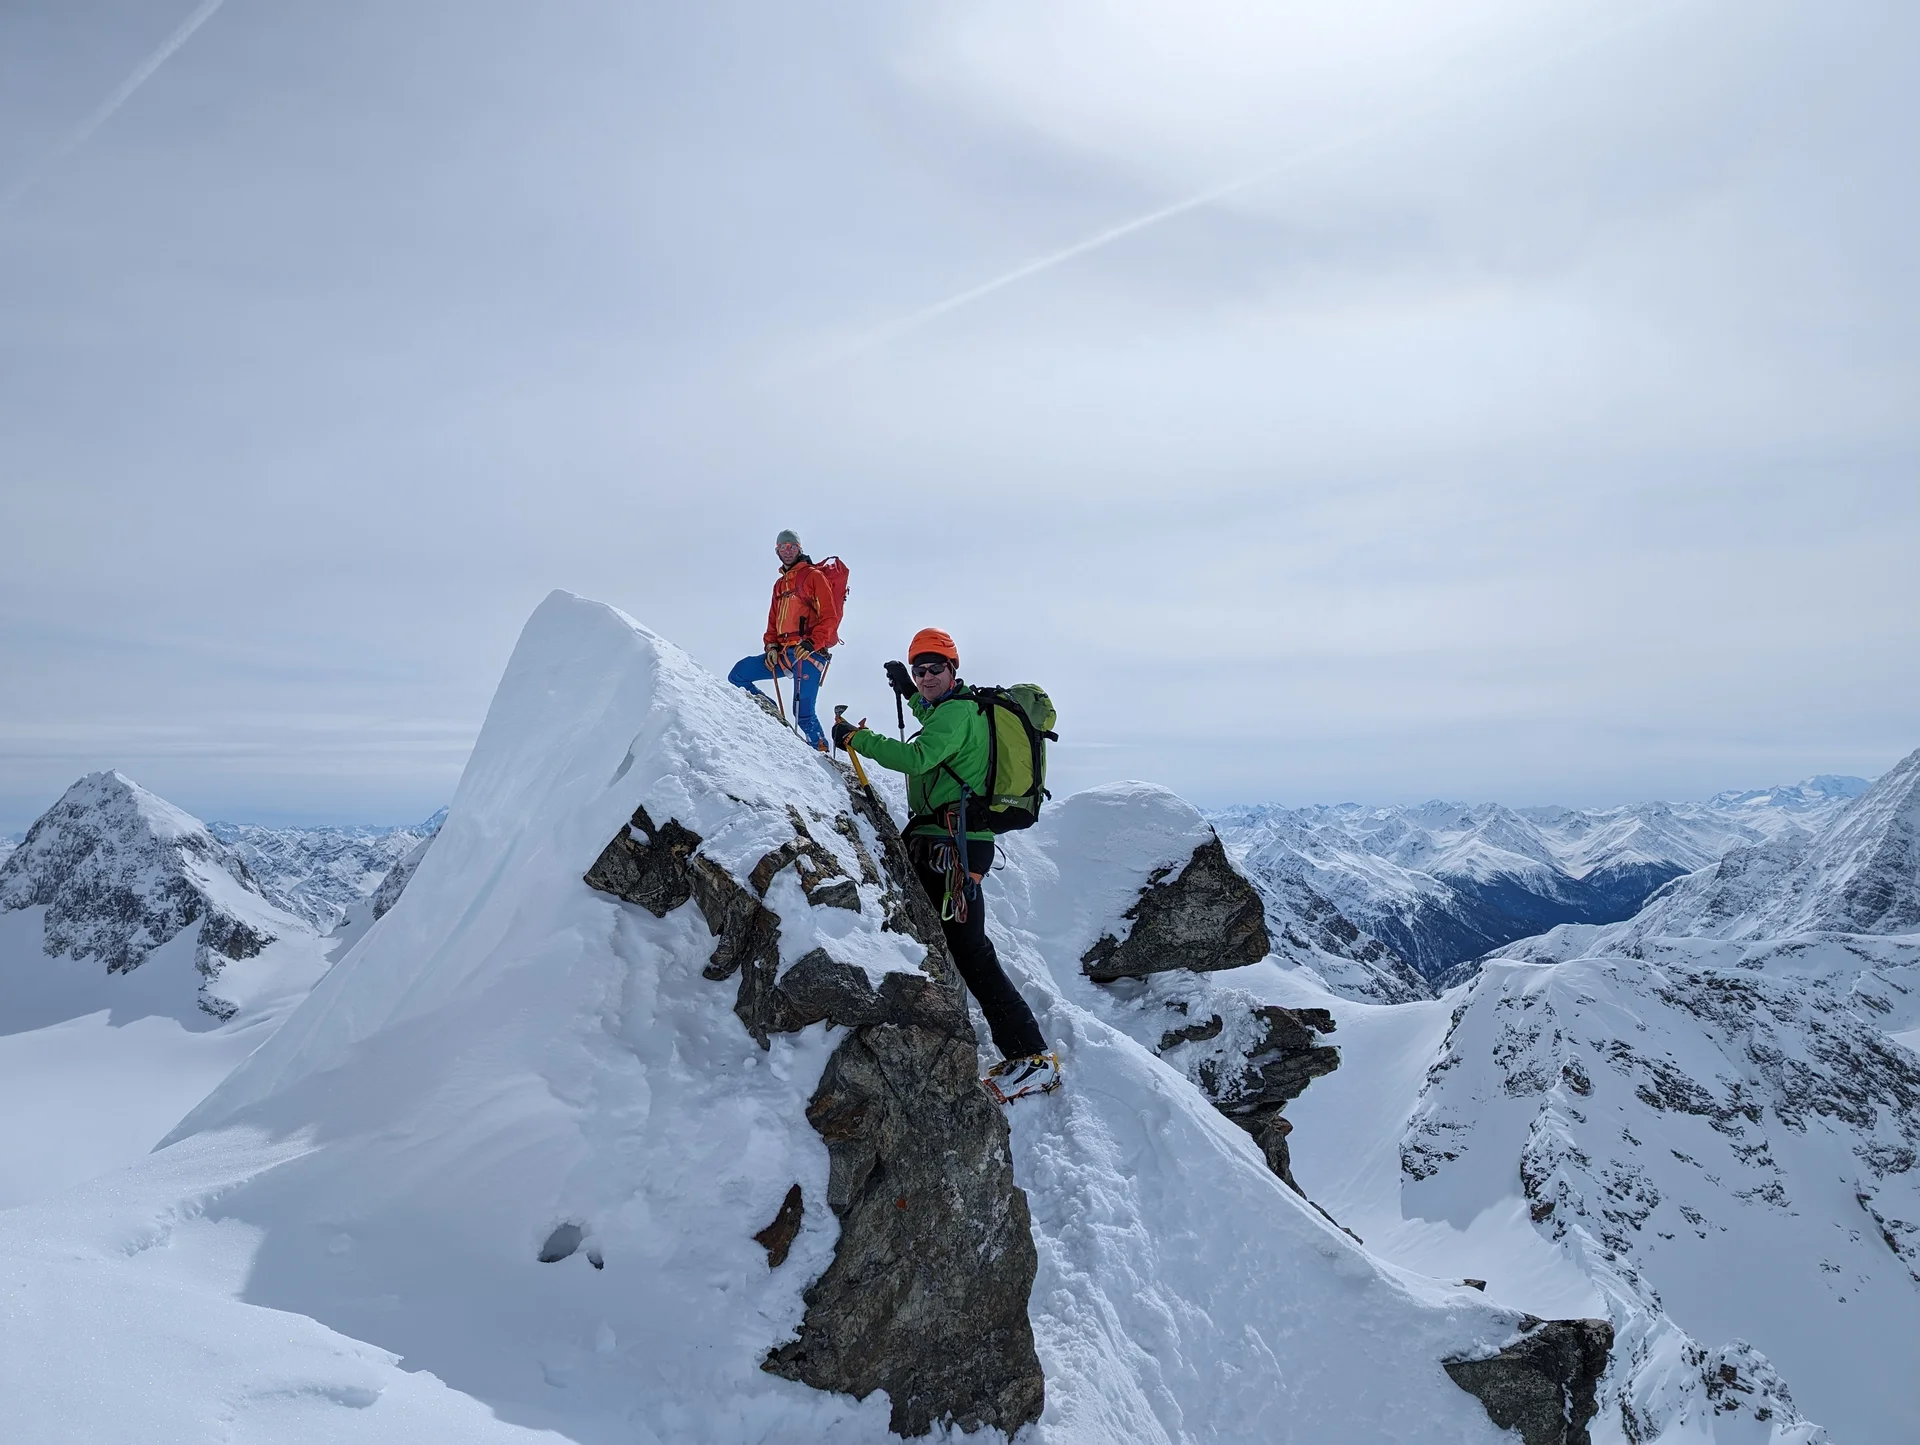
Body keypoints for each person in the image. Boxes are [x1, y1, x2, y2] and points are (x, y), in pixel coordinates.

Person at [832, 627, 1058, 1097]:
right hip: (950, 841)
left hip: (951, 847)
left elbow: (918, 757)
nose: (927, 675)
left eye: (935, 668)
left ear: (954, 669)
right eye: (920, 668)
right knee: (962, 949)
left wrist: (858, 738)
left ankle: (1031, 1056)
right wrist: (911, 694)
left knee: (971, 953)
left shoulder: (954, 713)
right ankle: (1025, 1052)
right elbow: (936, 724)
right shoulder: (957, 708)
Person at [730, 529, 834, 750]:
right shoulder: (779, 585)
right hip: (783, 654)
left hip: (809, 653)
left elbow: (829, 616)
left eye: (792, 546)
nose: (787, 551)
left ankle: (823, 755)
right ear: (776, 550)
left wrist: (813, 643)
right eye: (783, 547)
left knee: (803, 715)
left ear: (800, 548)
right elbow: (773, 621)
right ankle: (772, 715)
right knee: (738, 674)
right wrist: (771, 646)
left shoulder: (814, 576)